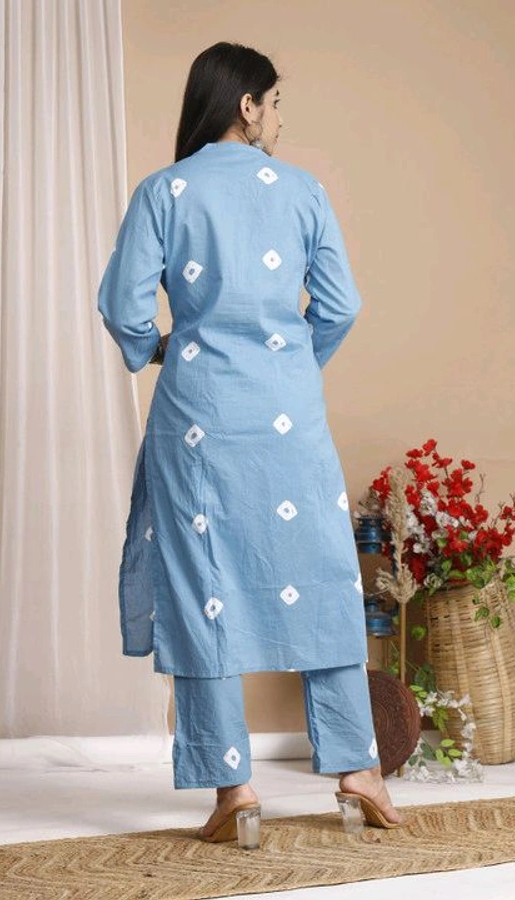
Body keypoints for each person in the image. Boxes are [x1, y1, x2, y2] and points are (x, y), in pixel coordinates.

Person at [97, 41, 401, 841]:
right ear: (247, 105)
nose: (279, 119)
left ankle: (234, 790)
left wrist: (161, 348)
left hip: (197, 418)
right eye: (275, 102)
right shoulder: (303, 192)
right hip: (288, 417)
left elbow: (124, 309)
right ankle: (359, 771)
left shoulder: (164, 191)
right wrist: (287, 364)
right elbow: (340, 305)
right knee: (324, 577)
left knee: (202, 586)